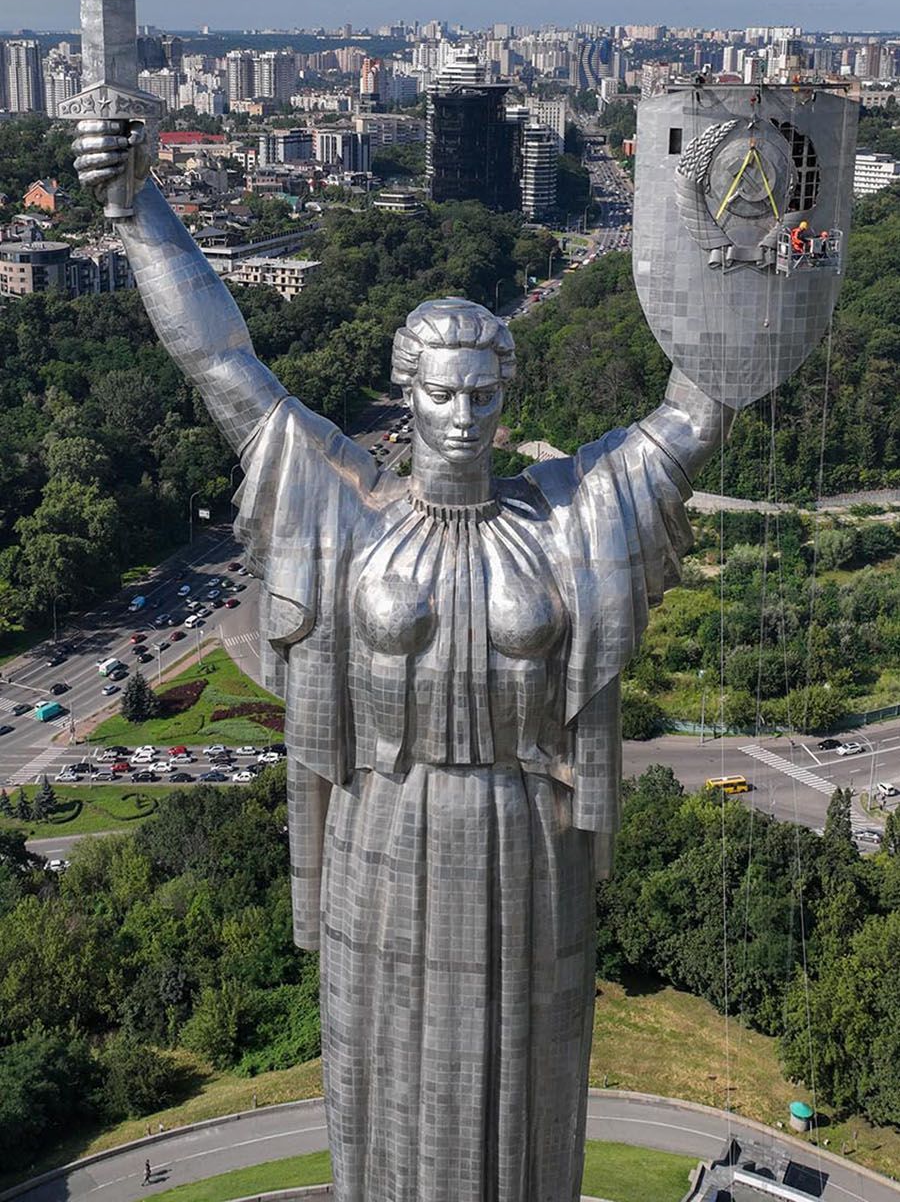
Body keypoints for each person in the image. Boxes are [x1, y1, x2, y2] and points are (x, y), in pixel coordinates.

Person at [72, 125, 733, 1202]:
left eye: (483, 395)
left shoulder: (571, 514)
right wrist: (138, 210)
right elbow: (219, 360)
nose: (464, 418)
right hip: (382, 825)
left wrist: (739, 228)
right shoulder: (343, 506)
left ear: (503, 394)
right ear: (407, 392)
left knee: (527, 1082)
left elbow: (694, 410)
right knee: (382, 1084)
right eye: (441, 394)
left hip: (527, 839)